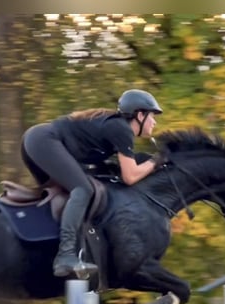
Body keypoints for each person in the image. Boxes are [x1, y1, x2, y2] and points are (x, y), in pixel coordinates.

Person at [20, 88, 165, 277]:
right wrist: (157, 161)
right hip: (44, 141)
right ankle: (65, 255)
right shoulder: (122, 129)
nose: (154, 122)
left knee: (67, 195)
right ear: (140, 115)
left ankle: (46, 247)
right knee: (83, 189)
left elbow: (121, 168)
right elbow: (130, 177)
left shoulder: (117, 128)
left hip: (37, 140)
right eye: (152, 116)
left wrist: (150, 161)